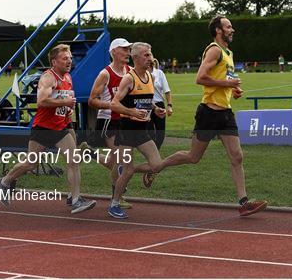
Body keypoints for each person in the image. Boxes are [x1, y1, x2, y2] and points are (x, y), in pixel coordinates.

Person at [137, 15, 268, 217]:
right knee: (193, 157)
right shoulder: (214, 50)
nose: (232, 30)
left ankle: (243, 202)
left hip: (225, 112)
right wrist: (227, 84)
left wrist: (234, 89)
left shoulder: (228, 52)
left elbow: (227, 76)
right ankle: (156, 167)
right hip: (209, 112)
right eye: (228, 27)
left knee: (237, 156)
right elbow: (200, 77)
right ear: (218, 30)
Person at [0, 44, 96, 214]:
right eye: (65, 58)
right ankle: (4, 181)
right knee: (31, 163)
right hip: (43, 128)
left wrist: (68, 118)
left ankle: (76, 199)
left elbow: (64, 104)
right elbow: (42, 101)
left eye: (70, 58)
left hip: (61, 127)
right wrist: (65, 103)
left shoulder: (68, 78)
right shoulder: (48, 78)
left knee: (73, 160)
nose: (69, 61)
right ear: (54, 61)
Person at [107, 42, 167, 219]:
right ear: (135, 58)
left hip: (142, 129)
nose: (150, 58)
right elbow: (114, 103)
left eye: (150, 54)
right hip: (126, 130)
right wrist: (131, 112)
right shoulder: (129, 78)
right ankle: (114, 204)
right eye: (146, 55)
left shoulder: (150, 76)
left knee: (156, 165)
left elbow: (146, 100)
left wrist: (155, 108)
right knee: (127, 170)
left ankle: (129, 170)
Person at [87, 37, 133, 208]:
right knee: (122, 160)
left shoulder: (131, 72)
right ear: (114, 51)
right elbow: (92, 100)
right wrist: (112, 105)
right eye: (124, 49)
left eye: (129, 49)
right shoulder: (105, 74)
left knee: (113, 163)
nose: (128, 52)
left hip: (125, 121)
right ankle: (116, 198)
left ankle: (89, 154)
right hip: (108, 120)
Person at [149, 58, 172, 150]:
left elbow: (167, 91)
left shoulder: (159, 73)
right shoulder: (139, 73)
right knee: (149, 131)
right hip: (145, 105)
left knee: (160, 132)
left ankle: (156, 150)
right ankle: (151, 152)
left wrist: (169, 106)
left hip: (159, 105)